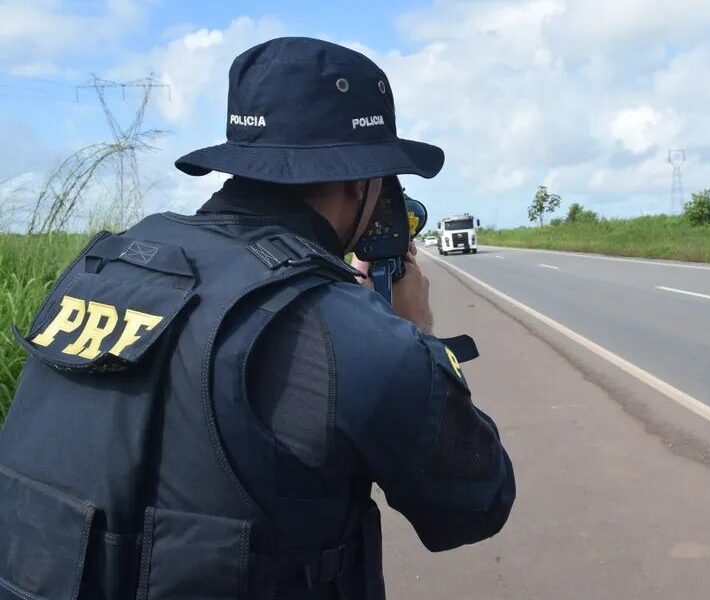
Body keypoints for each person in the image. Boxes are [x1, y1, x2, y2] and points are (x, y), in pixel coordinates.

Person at [0, 37, 515, 600]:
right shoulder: (354, 335)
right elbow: (477, 504)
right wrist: (416, 335)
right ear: (360, 182)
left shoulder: (102, 269)